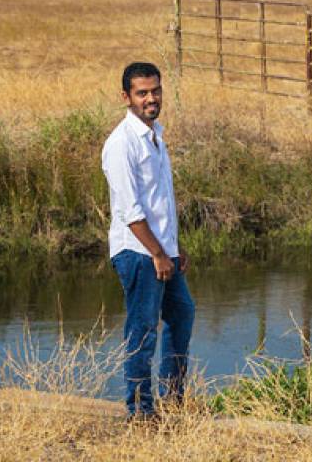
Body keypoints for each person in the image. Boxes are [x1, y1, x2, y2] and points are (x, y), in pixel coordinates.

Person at [101, 61, 194, 419]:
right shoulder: (121, 144)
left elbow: (161, 203)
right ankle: (140, 411)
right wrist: (157, 252)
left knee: (181, 314)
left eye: (155, 91)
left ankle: (174, 400)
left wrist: (174, 247)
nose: (150, 98)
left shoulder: (156, 136)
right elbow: (131, 210)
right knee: (142, 331)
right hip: (138, 252)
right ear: (126, 97)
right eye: (142, 93)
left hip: (161, 250)